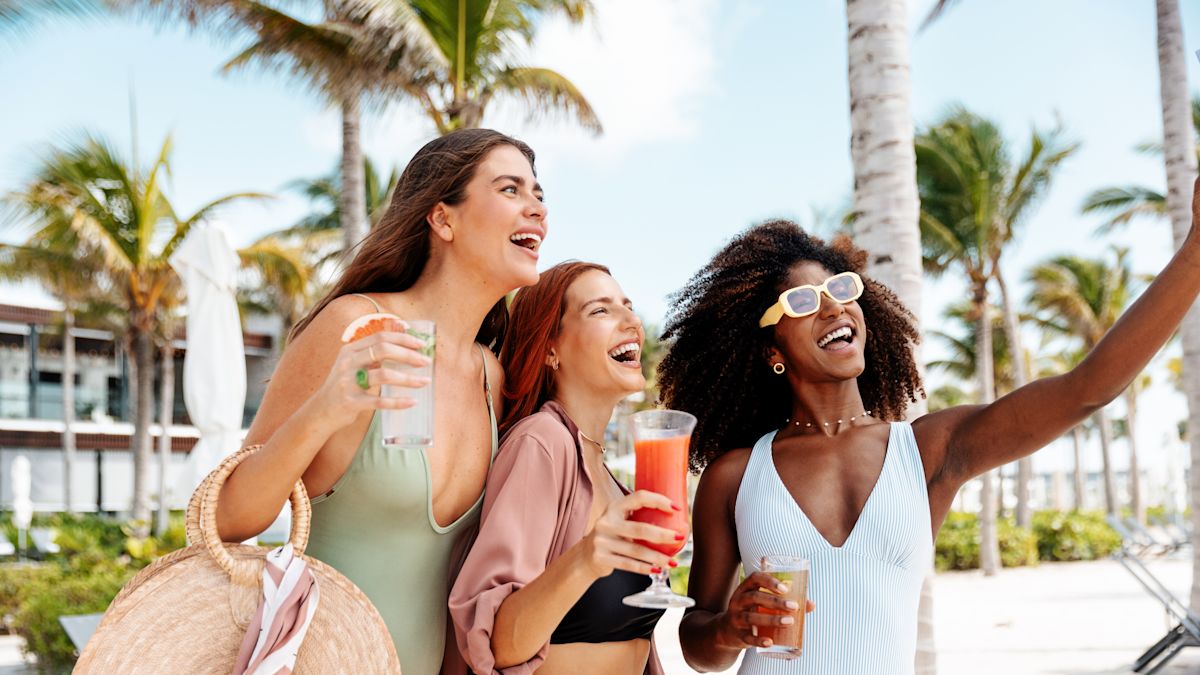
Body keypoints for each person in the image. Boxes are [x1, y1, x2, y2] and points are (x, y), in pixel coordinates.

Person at [659, 177, 1200, 674]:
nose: (833, 309)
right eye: (803, 301)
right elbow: (696, 643)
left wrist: (1196, 250)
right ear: (771, 349)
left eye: (843, 291)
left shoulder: (926, 450)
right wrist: (731, 628)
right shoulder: (735, 475)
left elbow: (1088, 390)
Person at [214, 128, 548, 673]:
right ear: (444, 219)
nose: (536, 208)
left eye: (539, 194)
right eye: (511, 189)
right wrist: (327, 407)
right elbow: (229, 519)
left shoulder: (491, 375)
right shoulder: (356, 328)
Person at [449, 261, 678, 675]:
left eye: (628, 306)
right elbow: (495, 645)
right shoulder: (542, 443)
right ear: (551, 348)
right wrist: (587, 558)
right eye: (601, 310)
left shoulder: (610, 478)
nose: (631, 320)